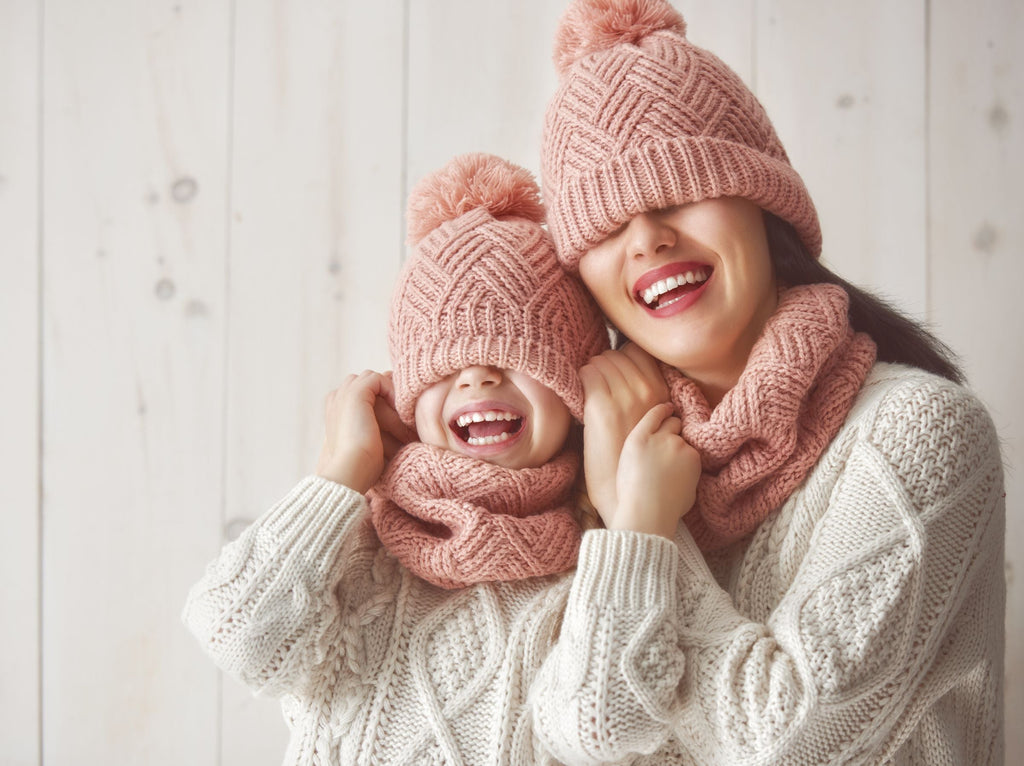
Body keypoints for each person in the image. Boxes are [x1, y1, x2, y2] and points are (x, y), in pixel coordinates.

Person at [528, 1, 1006, 764]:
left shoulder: (917, 432)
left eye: (679, 191)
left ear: (762, 202)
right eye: (607, 225)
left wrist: (646, 528)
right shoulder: (604, 451)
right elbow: (575, 739)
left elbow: (787, 743)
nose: (647, 237)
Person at [182, 153, 613, 764]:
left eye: (517, 352)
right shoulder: (358, 542)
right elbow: (235, 635)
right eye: (443, 364)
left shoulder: (608, 547)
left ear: (576, 387)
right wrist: (341, 473)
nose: (477, 377)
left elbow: (617, 722)